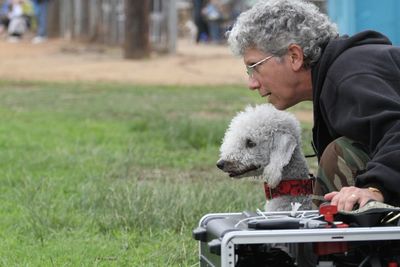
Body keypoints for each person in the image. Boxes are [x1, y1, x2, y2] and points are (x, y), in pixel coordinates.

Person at [227, 0, 400, 212]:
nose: (252, 83)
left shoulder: (349, 78)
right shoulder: (344, 71)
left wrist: (375, 188)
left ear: (294, 56)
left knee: (342, 155)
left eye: (254, 67)